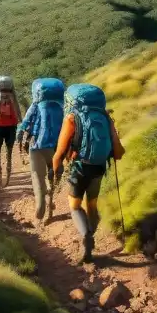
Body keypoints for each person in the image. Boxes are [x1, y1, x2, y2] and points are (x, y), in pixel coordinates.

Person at [53, 83, 124, 264]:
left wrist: (55, 172)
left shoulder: (71, 118)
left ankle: (86, 237)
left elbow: (60, 152)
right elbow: (119, 152)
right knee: (92, 204)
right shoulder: (105, 118)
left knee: (75, 206)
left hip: (79, 168)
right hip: (99, 168)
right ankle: (91, 233)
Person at [18, 78, 65, 228]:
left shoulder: (35, 105)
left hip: (37, 146)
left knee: (37, 175)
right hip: (57, 147)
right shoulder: (62, 107)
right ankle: (51, 196)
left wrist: (19, 135)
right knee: (55, 173)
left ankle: (40, 206)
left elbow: (25, 123)